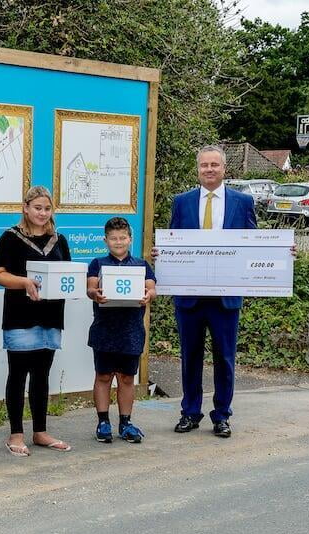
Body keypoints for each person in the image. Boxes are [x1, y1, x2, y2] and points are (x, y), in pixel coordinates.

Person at [159, 145, 256, 438]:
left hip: (226, 297)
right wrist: (162, 253)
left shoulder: (243, 202)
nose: (209, 170)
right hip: (190, 296)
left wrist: (281, 253)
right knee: (190, 356)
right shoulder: (182, 202)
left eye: (215, 165)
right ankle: (190, 412)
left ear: (224, 168)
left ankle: (222, 415)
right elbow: (173, 240)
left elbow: (256, 242)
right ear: (198, 169)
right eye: (204, 165)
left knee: (224, 358)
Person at [0, 186, 72, 457]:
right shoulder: (10, 238)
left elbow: (66, 274)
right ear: (25, 208)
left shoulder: (59, 240)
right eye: (37, 207)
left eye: (47, 208)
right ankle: (16, 433)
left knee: (42, 374)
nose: (42, 213)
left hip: (50, 316)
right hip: (20, 316)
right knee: (18, 374)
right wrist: (24, 282)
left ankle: (40, 431)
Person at [86, 217, 156, 444]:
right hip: (104, 330)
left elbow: (152, 289)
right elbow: (90, 288)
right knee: (103, 376)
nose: (118, 242)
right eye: (113, 238)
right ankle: (103, 422)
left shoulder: (142, 265)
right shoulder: (97, 263)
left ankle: (125, 422)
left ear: (130, 239)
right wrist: (95, 294)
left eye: (123, 238)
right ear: (105, 240)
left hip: (131, 331)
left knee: (127, 378)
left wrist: (148, 295)